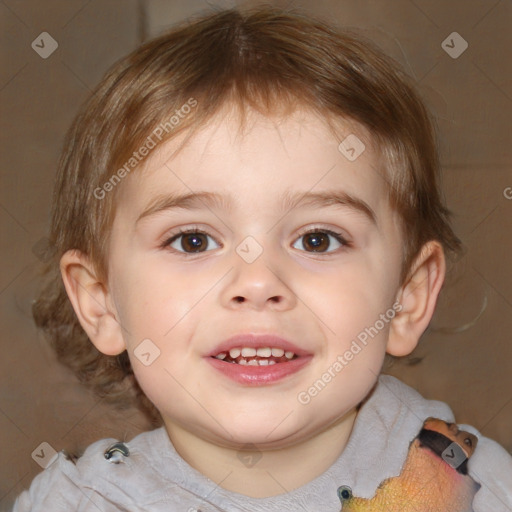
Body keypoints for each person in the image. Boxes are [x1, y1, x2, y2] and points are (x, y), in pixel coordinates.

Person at [12, 6, 512, 511]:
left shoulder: (472, 486)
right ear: (102, 304)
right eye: (193, 241)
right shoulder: (80, 504)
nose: (256, 282)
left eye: (317, 239)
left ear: (407, 296)